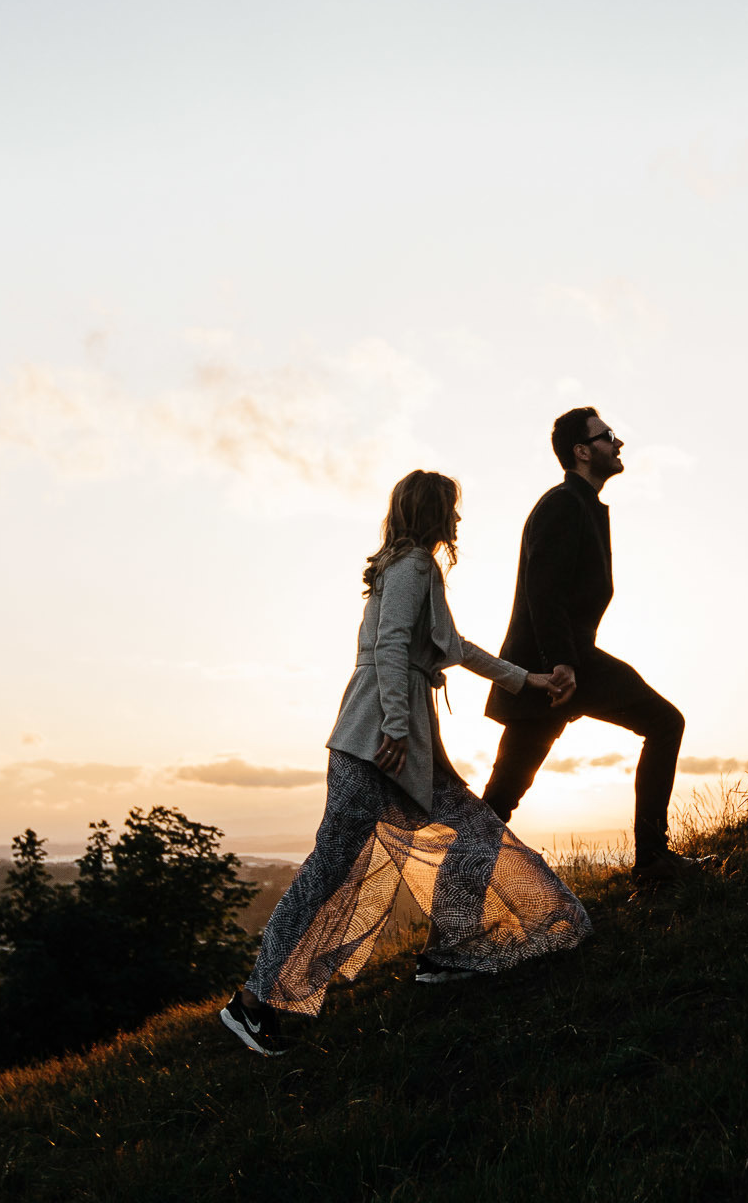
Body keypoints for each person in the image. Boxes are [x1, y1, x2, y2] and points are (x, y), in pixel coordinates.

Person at [220, 470, 590, 1056]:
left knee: (470, 831)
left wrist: (530, 680)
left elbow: (455, 647)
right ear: (433, 512)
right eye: (451, 508)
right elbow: (392, 646)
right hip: (379, 742)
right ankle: (252, 1005)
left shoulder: (408, 567)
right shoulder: (415, 564)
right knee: (330, 871)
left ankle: (449, 953)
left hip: (399, 742)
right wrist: (395, 725)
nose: (458, 519)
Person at [481, 406, 704, 883]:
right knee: (664, 723)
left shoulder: (581, 505)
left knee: (501, 796)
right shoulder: (563, 504)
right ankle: (652, 863)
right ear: (582, 452)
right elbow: (544, 590)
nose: (617, 443)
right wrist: (561, 664)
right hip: (553, 668)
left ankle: (652, 861)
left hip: (564, 662)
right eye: (607, 436)